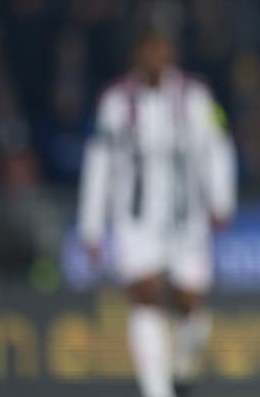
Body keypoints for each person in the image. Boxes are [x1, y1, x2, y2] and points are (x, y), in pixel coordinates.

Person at [77, 26, 237, 397]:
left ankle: (181, 366)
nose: (154, 58)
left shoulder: (196, 96)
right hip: (136, 221)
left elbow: (218, 147)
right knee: (145, 298)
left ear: (171, 53)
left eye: (160, 49)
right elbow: (99, 163)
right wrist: (91, 226)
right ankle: (156, 391)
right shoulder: (116, 102)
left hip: (187, 219)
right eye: (147, 50)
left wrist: (221, 201)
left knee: (191, 309)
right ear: (136, 54)